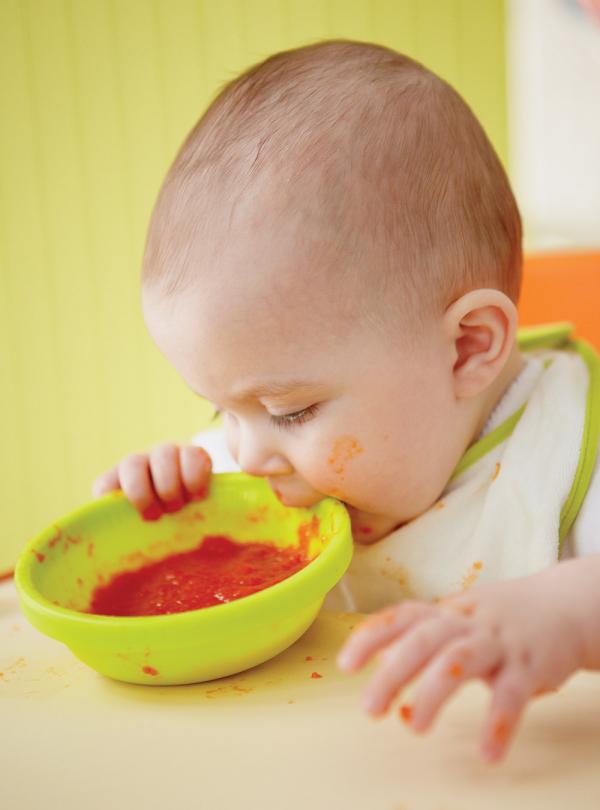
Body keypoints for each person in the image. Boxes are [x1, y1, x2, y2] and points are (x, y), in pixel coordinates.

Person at [92, 41, 600, 764]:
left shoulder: (570, 449)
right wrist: (167, 497)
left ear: (465, 350)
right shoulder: (264, 456)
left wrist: (572, 615)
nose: (246, 453)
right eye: (218, 411)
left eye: (291, 412)